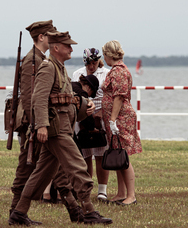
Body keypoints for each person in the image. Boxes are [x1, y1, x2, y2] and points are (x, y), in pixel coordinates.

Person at [9, 31, 113, 225]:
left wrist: (83, 103)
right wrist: (41, 126)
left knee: (42, 173)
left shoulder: (59, 68)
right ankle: (89, 211)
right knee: (78, 166)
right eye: (68, 46)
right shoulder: (48, 68)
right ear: (56, 48)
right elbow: (38, 99)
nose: (71, 49)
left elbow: (64, 98)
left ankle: (19, 212)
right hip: (55, 130)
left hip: (60, 127)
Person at [8, 20, 56, 224]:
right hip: (31, 124)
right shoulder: (31, 61)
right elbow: (28, 97)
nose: (53, 37)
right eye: (50, 34)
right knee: (25, 168)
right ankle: (15, 212)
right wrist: (36, 126)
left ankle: (19, 213)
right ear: (41, 37)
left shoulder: (39, 58)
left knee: (38, 167)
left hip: (35, 123)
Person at [101, 40, 142, 205]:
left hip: (120, 118)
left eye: (104, 55)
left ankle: (131, 196)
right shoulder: (116, 70)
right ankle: (121, 193)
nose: (104, 58)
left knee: (122, 155)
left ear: (109, 54)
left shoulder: (118, 71)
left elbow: (119, 96)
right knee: (116, 154)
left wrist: (112, 120)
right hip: (116, 117)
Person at [72, 48, 110, 202]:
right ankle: (86, 188)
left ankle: (102, 190)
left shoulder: (105, 73)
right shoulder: (77, 73)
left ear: (98, 61)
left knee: (100, 153)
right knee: (85, 155)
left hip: (100, 114)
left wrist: (103, 112)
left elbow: (109, 95)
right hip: (82, 116)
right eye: (89, 63)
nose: (92, 66)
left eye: (94, 62)